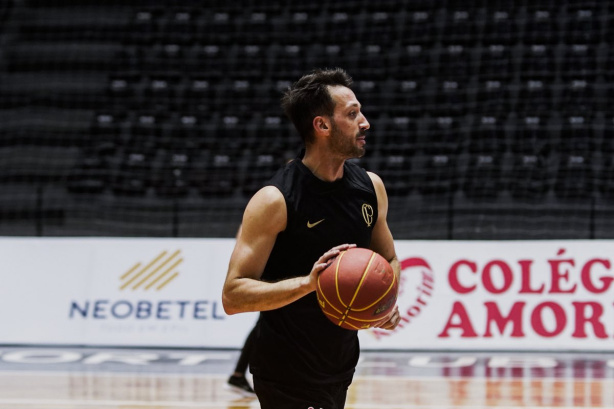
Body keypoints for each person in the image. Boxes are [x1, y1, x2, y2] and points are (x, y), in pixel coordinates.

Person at [222, 67, 401, 409]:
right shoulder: (275, 200)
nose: (365, 123)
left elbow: (389, 258)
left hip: (341, 364)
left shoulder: (370, 187)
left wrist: (385, 304)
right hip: (286, 370)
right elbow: (233, 295)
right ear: (322, 126)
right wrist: (309, 284)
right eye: (352, 114)